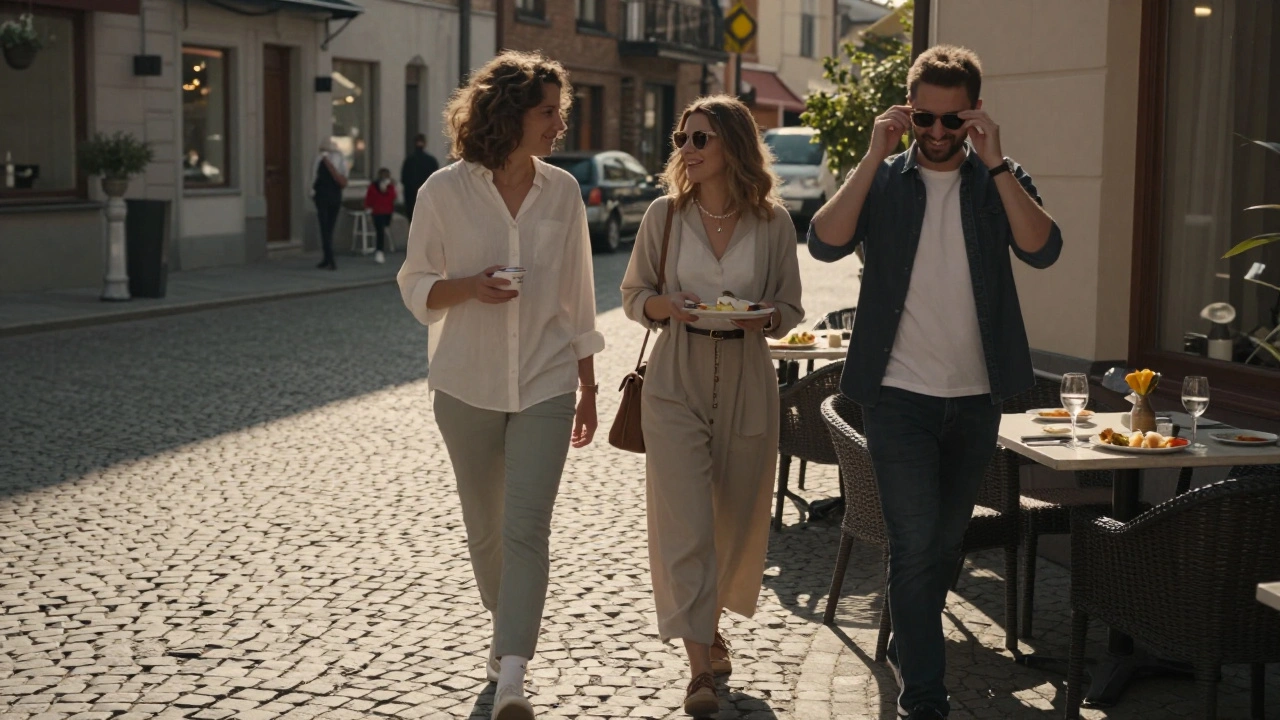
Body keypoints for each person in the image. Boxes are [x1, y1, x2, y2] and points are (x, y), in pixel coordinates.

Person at [808, 45, 1063, 720]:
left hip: (977, 400)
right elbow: (824, 243)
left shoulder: (996, 180)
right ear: (908, 111)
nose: (940, 133)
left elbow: (1043, 247)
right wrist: (872, 155)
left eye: (955, 120)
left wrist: (998, 161)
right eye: (926, 118)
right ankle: (925, 694)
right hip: (897, 399)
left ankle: (907, 639)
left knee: (944, 545)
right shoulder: (885, 180)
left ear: (975, 115)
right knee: (917, 543)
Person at [396, 50, 603, 720]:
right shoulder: (442, 191)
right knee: (485, 531)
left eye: (560, 111)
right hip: (465, 384)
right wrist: (468, 288)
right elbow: (415, 285)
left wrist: (590, 385)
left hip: (546, 379)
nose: (559, 124)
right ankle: (505, 629)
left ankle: (512, 674)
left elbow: (578, 295)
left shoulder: (563, 191)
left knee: (525, 529)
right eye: (549, 111)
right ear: (510, 112)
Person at [620, 95, 804, 719]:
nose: (687, 150)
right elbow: (632, 294)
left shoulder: (773, 221)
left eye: (700, 139)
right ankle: (700, 670)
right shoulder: (663, 216)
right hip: (675, 375)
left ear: (732, 144)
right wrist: (663, 305)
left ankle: (710, 623)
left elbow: (790, 307)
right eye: (682, 138)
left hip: (749, 373)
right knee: (686, 523)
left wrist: (767, 315)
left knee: (733, 519)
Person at [312, 141, 348, 270]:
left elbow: (313, 176)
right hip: (334, 196)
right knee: (329, 227)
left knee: (324, 227)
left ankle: (330, 258)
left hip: (323, 196)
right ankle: (328, 258)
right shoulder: (341, 159)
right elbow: (344, 178)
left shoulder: (321, 159)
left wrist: (311, 191)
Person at [401, 132, 439, 222]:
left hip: (412, 197)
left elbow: (404, 179)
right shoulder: (431, 161)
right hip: (427, 197)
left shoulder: (409, 161)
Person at [363, 167, 397, 264]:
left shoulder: (390, 187)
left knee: (383, 228)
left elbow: (393, 197)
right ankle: (379, 251)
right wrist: (368, 208)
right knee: (380, 230)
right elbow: (369, 198)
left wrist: (387, 189)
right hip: (377, 212)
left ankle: (380, 250)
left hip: (387, 212)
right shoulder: (373, 186)